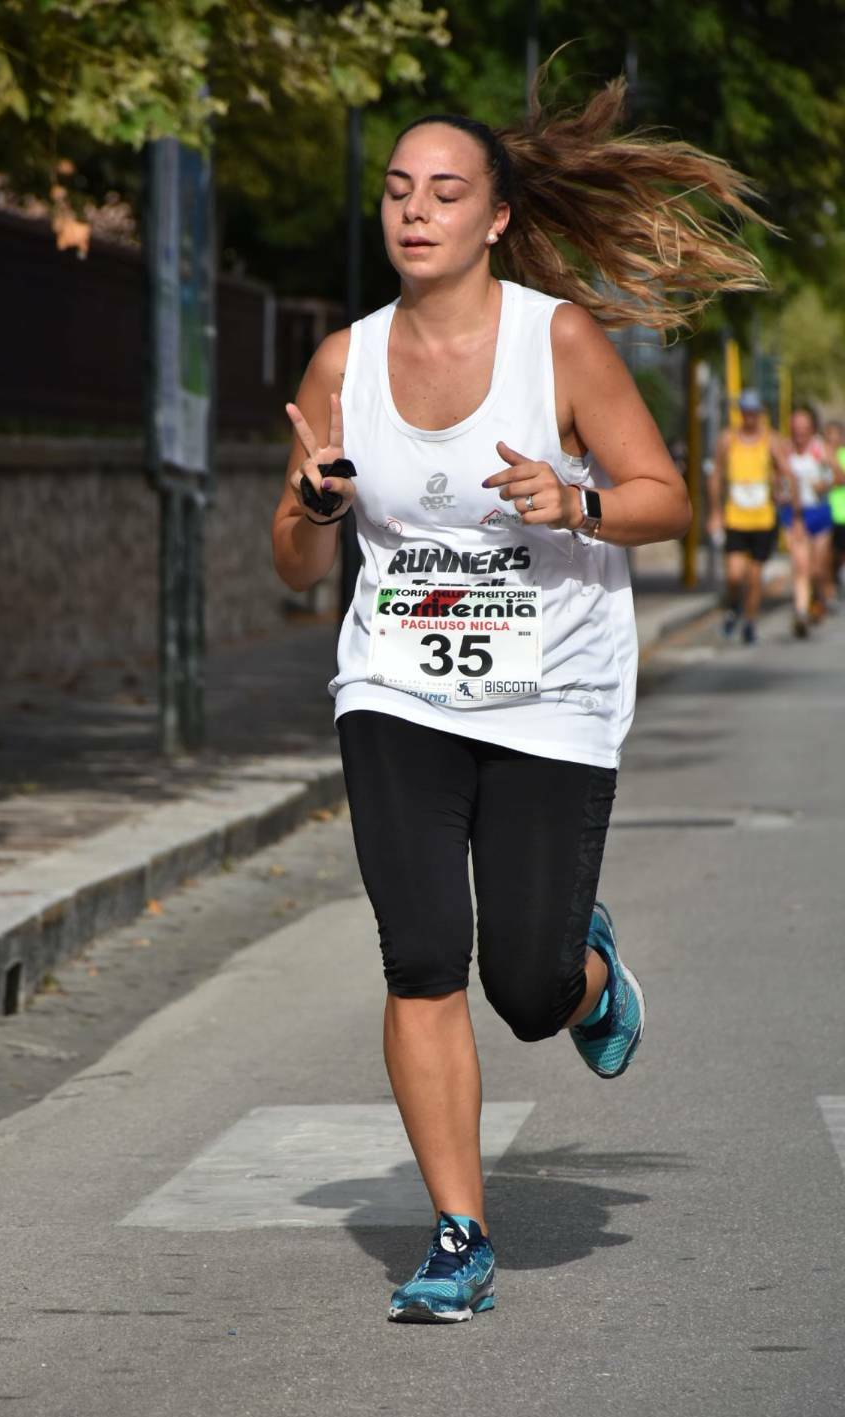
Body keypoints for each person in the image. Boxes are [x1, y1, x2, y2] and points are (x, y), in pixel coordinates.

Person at [272, 76, 768, 1324]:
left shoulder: (557, 343)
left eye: (445, 193)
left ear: (494, 219)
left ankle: (587, 970)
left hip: (550, 693)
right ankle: (457, 1234)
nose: (415, 213)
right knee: (422, 954)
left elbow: (667, 498)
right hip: (395, 688)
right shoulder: (347, 360)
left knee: (528, 993)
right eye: (397, 192)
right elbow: (292, 566)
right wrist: (316, 507)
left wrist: (577, 503)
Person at [707, 388, 792, 644]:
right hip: (735, 517)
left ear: (760, 414)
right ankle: (734, 607)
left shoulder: (771, 440)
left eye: (754, 413)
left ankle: (750, 623)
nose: (750, 417)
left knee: (755, 577)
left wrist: (782, 491)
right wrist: (715, 512)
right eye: (746, 412)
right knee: (734, 575)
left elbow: (786, 472)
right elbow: (716, 475)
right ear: (741, 413)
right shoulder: (727, 439)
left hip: (763, 519)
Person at [779, 406, 835, 637]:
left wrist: (826, 483)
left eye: (804, 427)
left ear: (812, 428)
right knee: (800, 565)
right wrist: (778, 491)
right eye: (796, 427)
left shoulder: (820, 448)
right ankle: (801, 613)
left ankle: (818, 598)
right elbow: (774, 476)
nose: (800, 431)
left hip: (819, 512)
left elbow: (840, 476)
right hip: (793, 515)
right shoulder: (784, 448)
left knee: (818, 569)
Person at [824, 420, 845, 599]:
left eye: (835, 435)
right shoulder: (821, 455)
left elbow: (841, 478)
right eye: (828, 436)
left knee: (840, 552)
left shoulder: (841, 455)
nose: (832, 439)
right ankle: (829, 587)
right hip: (826, 511)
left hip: (842, 512)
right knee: (828, 554)